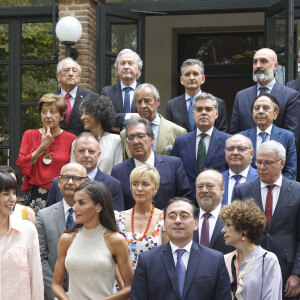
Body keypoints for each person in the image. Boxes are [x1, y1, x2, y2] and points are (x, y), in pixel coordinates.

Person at [233, 141, 300, 300]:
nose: (261, 167)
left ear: (282, 163)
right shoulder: (242, 191)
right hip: (249, 270)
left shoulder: (297, 192)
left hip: (286, 271)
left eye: (267, 163)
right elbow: (236, 233)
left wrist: (297, 273)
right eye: (258, 162)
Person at [130, 197, 232, 300]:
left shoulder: (215, 260)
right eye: (172, 216)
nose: (178, 221)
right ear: (164, 224)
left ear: (196, 224)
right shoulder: (147, 261)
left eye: (184, 216)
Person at [52, 181, 133, 300]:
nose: (74, 208)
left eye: (81, 203)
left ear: (98, 207)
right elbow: (56, 284)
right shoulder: (67, 239)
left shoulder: (116, 240)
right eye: (75, 202)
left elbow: (130, 287)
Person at [111, 118, 192, 209]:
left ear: (152, 138)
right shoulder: (118, 172)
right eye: (131, 138)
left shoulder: (174, 165)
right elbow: (118, 208)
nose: (135, 141)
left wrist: (163, 216)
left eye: (141, 136)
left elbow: (185, 199)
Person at [17, 93, 76, 213]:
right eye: (44, 112)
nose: (48, 116)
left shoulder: (72, 139)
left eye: (53, 112)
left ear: (61, 116)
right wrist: (43, 147)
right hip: (34, 193)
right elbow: (22, 166)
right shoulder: (29, 135)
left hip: (61, 194)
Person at [36, 162, 88, 300]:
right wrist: (56, 294)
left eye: (76, 178)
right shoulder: (43, 215)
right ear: (59, 181)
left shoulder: (94, 215)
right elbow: (40, 258)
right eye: (66, 178)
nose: (70, 182)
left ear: (86, 182)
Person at [230, 48, 300, 147]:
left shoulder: (290, 95)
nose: (258, 65)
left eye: (263, 61)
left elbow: (292, 138)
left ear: (275, 66)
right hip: (246, 160)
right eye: (255, 62)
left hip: (276, 159)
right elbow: (234, 133)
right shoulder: (241, 96)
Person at [171, 92, 231, 199]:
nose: (203, 113)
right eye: (199, 109)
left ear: (216, 114)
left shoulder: (228, 141)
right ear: (194, 114)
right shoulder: (180, 141)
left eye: (208, 109)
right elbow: (174, 174)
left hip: (216, 201)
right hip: (187, 201)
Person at [220, 200, 282, 300]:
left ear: (244, 229)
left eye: (228, 225)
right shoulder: (224, 260)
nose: (223, 230)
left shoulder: (267, 260)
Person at [46, 132, 124, 211]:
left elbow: (115, 219)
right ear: (74, 153)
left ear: (99, 154)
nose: (86, 155)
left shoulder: (113, 185)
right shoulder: (58, 183)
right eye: (81, 151)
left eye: (91, 151)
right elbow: (49, 215)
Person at [0, 170, 43, 299]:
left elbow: (36, 278)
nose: (13, 199)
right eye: (6, 194)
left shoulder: (27, 230)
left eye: (14, 193)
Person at [115, 164, 168, 269]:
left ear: (156, 188)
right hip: (122, 282)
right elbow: (113, 258)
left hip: (153, 280)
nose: (139, 188)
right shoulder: (117, 218)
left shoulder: (164, 220)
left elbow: (166, 258)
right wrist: (125, 284)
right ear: (130, 187)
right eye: (135, 184)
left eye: (145, 184)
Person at [120, 83, 187, 159]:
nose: (143, 106)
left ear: (157, 102)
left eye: (147, 101)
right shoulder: (125, 134)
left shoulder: (178, 132)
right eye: (139, 102)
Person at [240, 93, 297, 180]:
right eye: (257, 108)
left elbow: (290, 170)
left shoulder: (287, 137)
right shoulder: (242, 137)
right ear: (252, 113)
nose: (260, 111)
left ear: (275, 113)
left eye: (266, 108)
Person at [165, 58, 227, 132]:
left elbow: (221, 134)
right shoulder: (171, 105)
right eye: (187, 74)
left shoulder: (218, 103)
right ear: (181, 80)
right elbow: (168, 133)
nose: (191, 78)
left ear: (203, 79)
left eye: (195, 74)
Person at [70, 93, 122, 175]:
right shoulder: (77, 141)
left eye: (86, 113)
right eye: (82, 113)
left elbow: (118, 172)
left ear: (98, 114)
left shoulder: (116, 141)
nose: (82, 117)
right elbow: (73, 171)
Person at [101, 49, 142, 132]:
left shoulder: (146, 91)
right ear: (117, 69)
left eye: (130, 63)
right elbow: (103, 117)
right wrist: (131, 117)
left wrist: (118, 123)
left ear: (138, 69)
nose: (126, 67)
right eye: (122, 63)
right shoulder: (107, 92)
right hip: (114, 141)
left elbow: (149, 117)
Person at [193, 169, 234, 254]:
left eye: (210, 186)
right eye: (200, 187)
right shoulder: (188, 217)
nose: (204, 190)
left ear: (222, 189)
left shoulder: (233, 217)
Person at [56, 57, 98, 136]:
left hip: (83, 144)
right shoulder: (52, 99)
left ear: (78, 77)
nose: (71, 74)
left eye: (74, 71)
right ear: (58, 77)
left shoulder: (91, 97)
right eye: (66, 70)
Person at [222, 134, 258, 205]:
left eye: (241, 148)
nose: (235, 153)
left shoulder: (260, 179)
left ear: (251, 154)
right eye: (230, 149)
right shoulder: (217, 179)